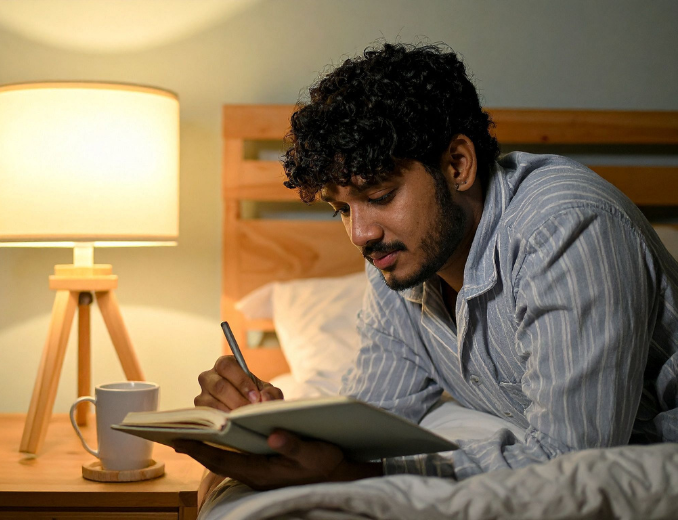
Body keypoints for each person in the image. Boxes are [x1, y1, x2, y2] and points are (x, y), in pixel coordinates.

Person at [178, 42, 678, 498]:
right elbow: (375, 416)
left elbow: (569, 467)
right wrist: (273, 428)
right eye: (342, 209)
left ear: (458, 164)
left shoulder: (565, 230)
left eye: (378, 197)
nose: (360, 234)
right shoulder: (400, 264)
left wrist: (350, 478)